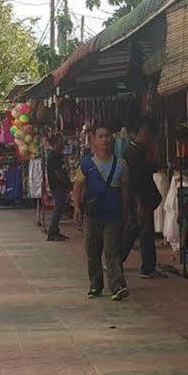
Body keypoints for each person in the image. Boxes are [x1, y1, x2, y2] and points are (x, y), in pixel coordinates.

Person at [73, 122, 129, 301]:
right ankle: (95, 284)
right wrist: (76, 207)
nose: (105, 139)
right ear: (94, 141)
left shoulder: (121, 164)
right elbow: (78, 186)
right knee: (92, 250)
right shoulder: (86, 164)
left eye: (107, 136)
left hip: (113, 215)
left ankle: (117, 286)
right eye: (101, 136)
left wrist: (126, 212)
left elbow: (125, 190)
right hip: (92, 215)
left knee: (112, 251)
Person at [124, 128, 164, 278]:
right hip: (141, 199)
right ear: (144, 136)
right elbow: (134, 181)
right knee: (143, 231)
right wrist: (139, 203)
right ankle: (147, 268)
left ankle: (117, 259)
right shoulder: (133, 153)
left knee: (135, 229)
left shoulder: (137, 151)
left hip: (144, 198)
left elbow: (146, 171)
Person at [43, 131, 71, 241]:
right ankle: (52, 232)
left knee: (60, 208)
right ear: (55, 144)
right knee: (58, 209)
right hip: (57, 186)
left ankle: (56, 231)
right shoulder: (53, 157)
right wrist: (67, 183)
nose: (63, 144)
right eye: (61, 142)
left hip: (59, 185)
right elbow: (58, 173)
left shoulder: (57, 156)